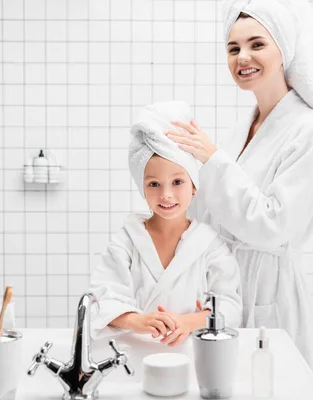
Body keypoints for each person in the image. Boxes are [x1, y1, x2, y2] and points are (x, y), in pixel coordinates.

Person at [165, 0, 313, 372]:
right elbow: (218, 209)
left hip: (268, 292)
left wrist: (213, 161)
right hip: (223, 288)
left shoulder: (311, 130)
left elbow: (273, 225)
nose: (242, 56)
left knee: (268, 383)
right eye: (233, 48)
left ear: (285, 48)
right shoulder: (243, 128)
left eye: (256, 44)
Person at [89, 101, 242, 347]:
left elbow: (229, 306)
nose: (166, 195)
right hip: (133, 352)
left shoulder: (209, 245)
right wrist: (137, 321)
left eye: (178, 182)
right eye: (154, 184)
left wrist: (189, 322)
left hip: (192, 354)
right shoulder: (127, 240)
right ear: (142, 188)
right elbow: (103, 298)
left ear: (194, 185)